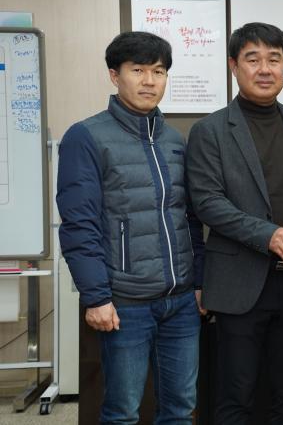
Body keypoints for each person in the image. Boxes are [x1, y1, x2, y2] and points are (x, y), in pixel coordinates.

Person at [57, 31, 205, 425]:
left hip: (180, 302)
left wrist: (199, 281)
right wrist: (96, 297)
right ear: (114, 75)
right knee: (122, 412)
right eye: (137, 70)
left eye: (158, 71)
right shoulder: (86, 136)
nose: (149, 81)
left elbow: (189, 218)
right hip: (125, 302)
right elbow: (79, 225)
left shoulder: (174, 139)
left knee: (180, 409)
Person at [186, 22, 283, 424]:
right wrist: (268, 235)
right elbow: (208, 203)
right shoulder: (209, 130)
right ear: (233, 66)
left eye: (274, 59)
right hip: (240, 284)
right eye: (253, 59)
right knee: (236, 396)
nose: (265, 69)